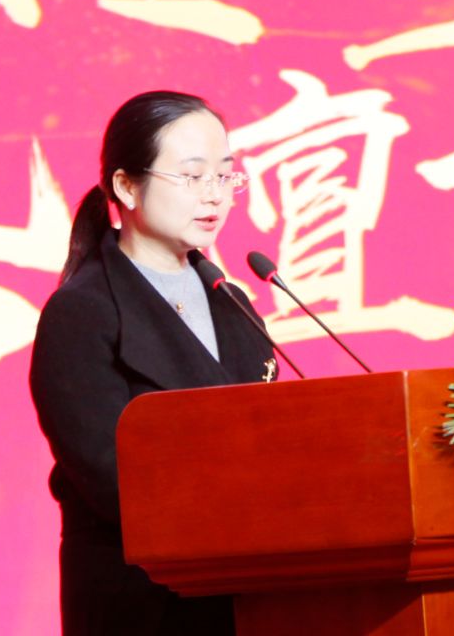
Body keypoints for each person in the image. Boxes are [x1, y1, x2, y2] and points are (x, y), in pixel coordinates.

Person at [30, 91, 276, 635]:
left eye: (224, 176)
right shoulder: (83, 312)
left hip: (253, 596)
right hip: (145, 602)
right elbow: (110, 478)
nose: (214, 195)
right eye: (192, 176)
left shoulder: (232, 302)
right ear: (126, 186)